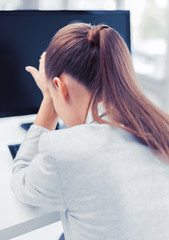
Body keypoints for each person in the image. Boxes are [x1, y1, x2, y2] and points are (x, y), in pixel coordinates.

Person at [10, 22, 169, 240]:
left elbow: (22, 182)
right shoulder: (161, 126)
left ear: (60, 86)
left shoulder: (64, 150)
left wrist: (48, 100)